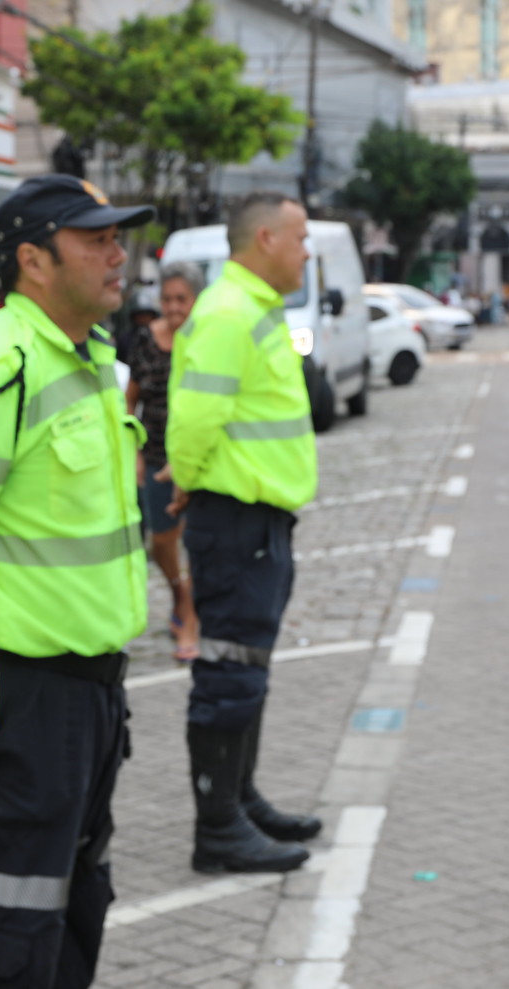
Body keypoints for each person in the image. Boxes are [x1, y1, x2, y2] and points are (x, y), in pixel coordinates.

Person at [0, 174, 153, 989]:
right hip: (22, 701)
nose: (117, 255)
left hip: (91, 695)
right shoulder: (0, 366)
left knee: (74, 902)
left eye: (118, 238)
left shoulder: (90, 358)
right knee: (2, 923)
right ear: (33, 259)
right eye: (96, 239)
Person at [165, 192, 320, 875]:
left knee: (247, 669)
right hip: (234, 519)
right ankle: (219, 828)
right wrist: (186, 479)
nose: (306, 252)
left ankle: (239, 799)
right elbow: (195, 418)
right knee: (229, 673)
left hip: (258, 521)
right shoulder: (230, 312)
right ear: (265, 239)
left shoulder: (254, 308)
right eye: (300, 238)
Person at [122, 265, 201, 662]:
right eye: (167, 299)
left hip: (199, 459)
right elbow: (130, 400)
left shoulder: (206, 338)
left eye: (181, 299)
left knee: (198, 537)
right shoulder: (146, 341)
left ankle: (191, 615)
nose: (173, 308)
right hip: (155, 455)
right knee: (162, 540)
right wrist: (134, 453)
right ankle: (181, 595)